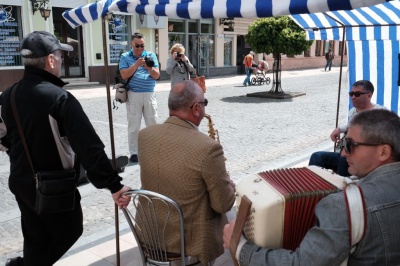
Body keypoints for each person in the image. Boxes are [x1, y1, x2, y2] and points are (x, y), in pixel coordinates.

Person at [0, 31, 131, 266]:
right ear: (51, 60)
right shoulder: (60, 98)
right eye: (61, 56)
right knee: (69, 231)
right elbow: (89, 147)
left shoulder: (8, 95)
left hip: (22, 181)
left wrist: (15, 152)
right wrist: (114, 185)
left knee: (36, 238)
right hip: (54, 187)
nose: (62, 61)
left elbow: (3, 137)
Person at [224, 108, 400, 265]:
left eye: (350, 145)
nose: (343, 152)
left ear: (383, 152)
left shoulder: (344, 206)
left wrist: (240, 247)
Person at [138, 80, 236, 265]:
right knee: (234, 220)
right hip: (187, 244)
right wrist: (229, 187)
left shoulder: (145, 135)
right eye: (204, 103)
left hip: (150, 234)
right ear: (196, 108)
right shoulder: (208, 148)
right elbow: (223, 205)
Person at [309, 80, 385, 176]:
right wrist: (339, 129)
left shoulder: (380, 112)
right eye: (351, 93)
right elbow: (350, 125)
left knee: (345, 157)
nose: (353, 97)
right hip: (350, 155)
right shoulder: (353, 111)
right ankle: (311, 188)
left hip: (366, 158)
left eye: (357, 94)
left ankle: (341, 187)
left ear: (369, 96)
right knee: (317, 156)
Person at [119, 32, 160, 163]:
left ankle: (154, 150)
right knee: (134, 125)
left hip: (149, 94)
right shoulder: (125, 57)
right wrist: (136, 65)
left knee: (152, 123)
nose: (140, 48)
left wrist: (149, 68)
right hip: (134, 94)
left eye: (142, 46)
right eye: (137, 45)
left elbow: (157, 75)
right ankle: (134, 152)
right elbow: (124, 75)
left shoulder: (151, 55)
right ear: (131, 44)